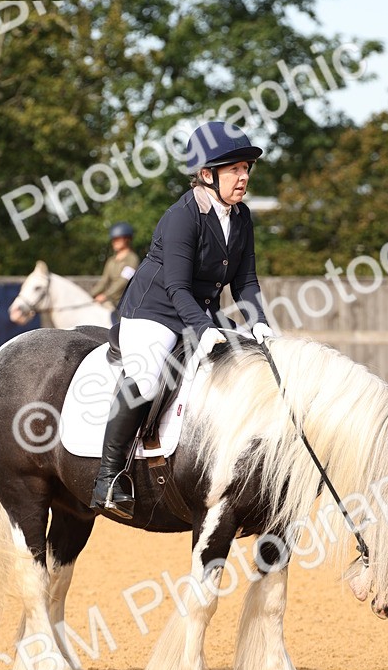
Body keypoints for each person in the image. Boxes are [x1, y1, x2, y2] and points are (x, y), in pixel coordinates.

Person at [91, 120, 274, 519]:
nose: (244, 176)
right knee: (147, 377)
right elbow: (176, 287)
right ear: (206, 174)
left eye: (246, 168)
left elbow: (245, 280)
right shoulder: (181, 217)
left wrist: (259, 320)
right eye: (235, 169)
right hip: (153, 312)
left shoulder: (241, 217)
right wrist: (205, 328)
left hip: (199, 312)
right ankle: (109, 477)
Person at [91, 222, 141, 314]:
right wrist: (90, 295)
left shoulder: (132, 259)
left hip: (123, 300)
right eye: (113, 239)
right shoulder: (111, 260)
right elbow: (104, 281)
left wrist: (105, 296)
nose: (114, 242)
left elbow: (123, 281)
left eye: (118, 239)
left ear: (127, 239)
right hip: (110, 298)